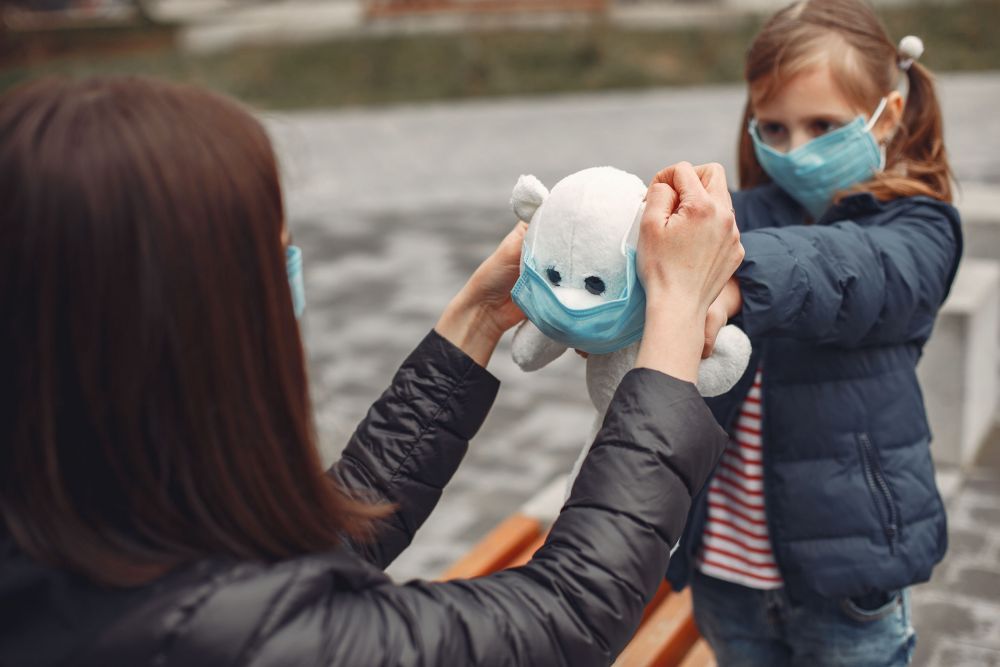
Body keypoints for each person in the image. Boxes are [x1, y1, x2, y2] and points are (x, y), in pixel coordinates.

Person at [0, 76, 744, 666]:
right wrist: (676, 309)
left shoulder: (87, 527)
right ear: (198, 326)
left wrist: (481, 314)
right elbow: (566, 617)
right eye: (276, 255)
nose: (295, 276)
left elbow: (319, 536)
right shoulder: (225, 636)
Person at [664, 1, 963, 665]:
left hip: (849, 581)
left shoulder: (918, 227)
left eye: (824, 124)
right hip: (726, 571)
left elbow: (852, 271)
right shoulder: (743, 212)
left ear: (888, 113)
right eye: (774, 126)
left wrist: (741, 273)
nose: (795, 150)